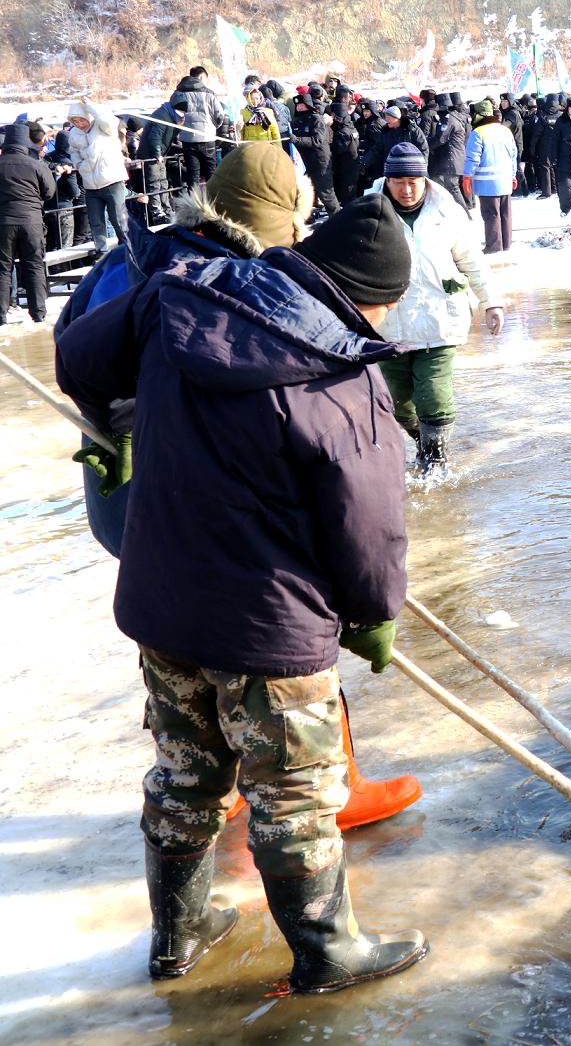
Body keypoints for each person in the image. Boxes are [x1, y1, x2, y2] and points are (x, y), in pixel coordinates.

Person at [55, 178, 430, 995]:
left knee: (185, 771)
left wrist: (112, 419)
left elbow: (79, 351)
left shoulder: (181, 300)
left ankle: (178, 935)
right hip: (269, 624)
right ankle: (328, 951)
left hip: (163, 602)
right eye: (387, 308)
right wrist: (373, 613)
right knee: (294, 789)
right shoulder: (342, 379)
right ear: (366, 299)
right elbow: (368, 528)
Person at [370, 144, 505, 471]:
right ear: (387, 181)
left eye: (413, 180)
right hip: (389, 325)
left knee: (433, 395)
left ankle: (436, 463)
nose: (406, 189)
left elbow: (472, 261)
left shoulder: (447, 211)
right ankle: (423, 441)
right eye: (398, 180)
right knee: (396, 402)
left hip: (440, 319)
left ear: (424, 179)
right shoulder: (368, 212)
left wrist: (491, 302)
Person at [0, 122, 54, 325]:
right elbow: (49, 192)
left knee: (2, 269)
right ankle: (38, 313)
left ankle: (1, 315)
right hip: (31, 222)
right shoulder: (36, 165)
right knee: (34, 266)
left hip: (3, 222)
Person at [62, 102, 129, 254]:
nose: (79, 124)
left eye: (81, 120)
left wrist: (91, 105)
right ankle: (102, 251)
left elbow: (110, 120)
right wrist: (79, 165)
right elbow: (73, 151)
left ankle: (127, 247)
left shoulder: (102, 126)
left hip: (112, 179)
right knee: (95, 220)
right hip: (90, 184)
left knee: (118, 219)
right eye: (75, 121)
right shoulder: (74, 133)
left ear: (89, 117)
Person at [463, 99, 520, 255]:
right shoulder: (505, 131)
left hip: (487, 184)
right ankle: (506, 244)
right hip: (505, 180)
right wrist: (513, 175)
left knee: (491, 214)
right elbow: (513, 155)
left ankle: (494, 247)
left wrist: (467, 177)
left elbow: (472, 158)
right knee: (505, 213)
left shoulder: (478, 133)